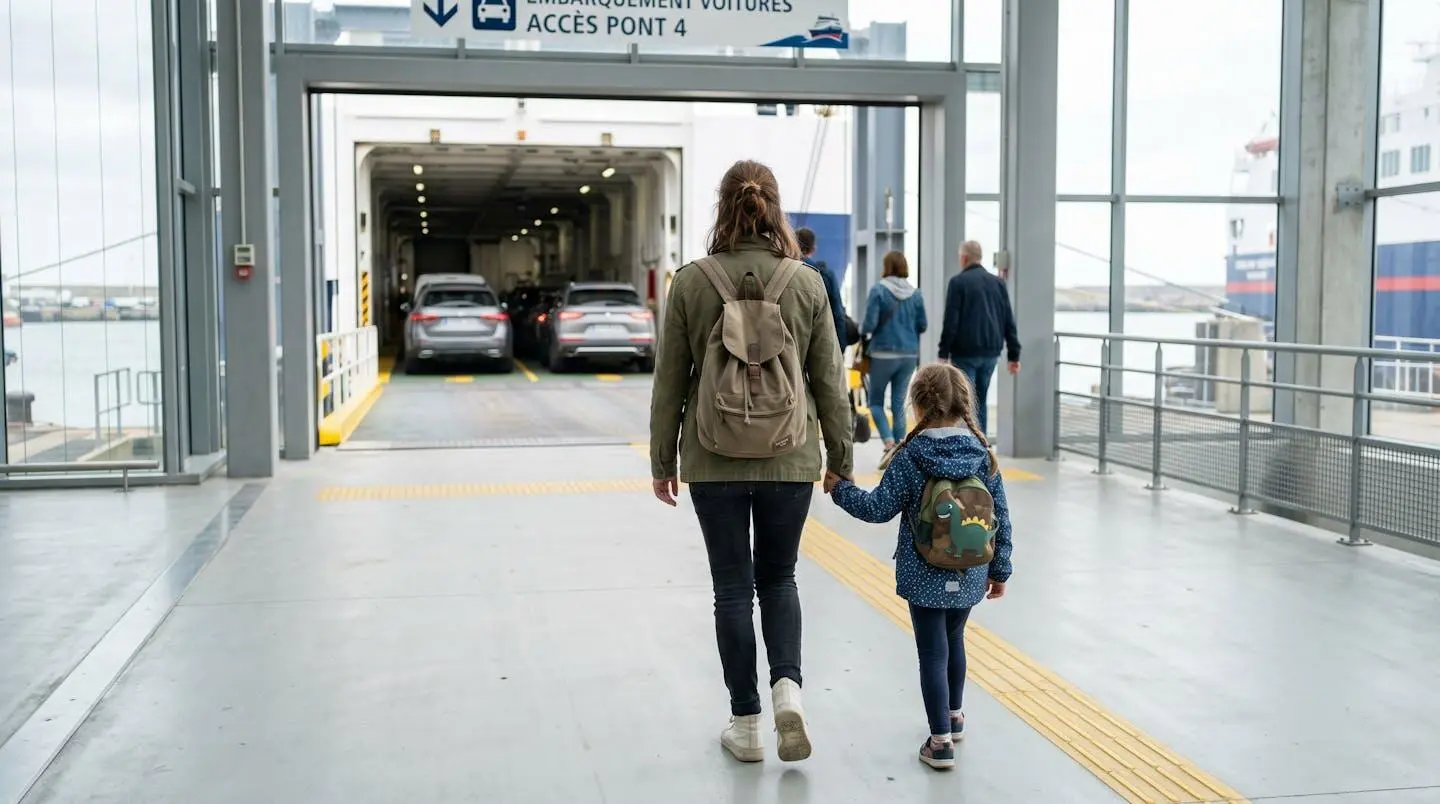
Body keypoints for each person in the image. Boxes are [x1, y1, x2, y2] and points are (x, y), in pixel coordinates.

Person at [649, 159, 854, 765]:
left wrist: (662, 460)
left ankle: (746, 725)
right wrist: (840, 458)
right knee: (780, 579)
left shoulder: (691, 282)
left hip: (712, 459)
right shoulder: (807, 283)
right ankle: (788, 688)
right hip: (790, 457)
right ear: (775, 207)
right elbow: (829, 380)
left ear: (723, 206)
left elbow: (669, 383)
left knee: (732, 588)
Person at [824, 363, 1014, 771]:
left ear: (916, 405)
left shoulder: (911, 456)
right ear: (965, 404)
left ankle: (939, 742)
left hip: (923, 573)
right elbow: (1001, 515)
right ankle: (955, 717)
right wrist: (1000, 570)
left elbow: (877, 509)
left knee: (932, 652)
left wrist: (840, 490)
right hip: (970, 572)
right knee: (955, 640)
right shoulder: (982, 455)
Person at [937, 240, 1021, 437]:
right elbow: (1008, 319)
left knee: (963, 402)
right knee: (980, 400)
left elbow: (951, 321)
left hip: (964, 352)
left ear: (964, 258)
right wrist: (1014, 355)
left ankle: (966, 444)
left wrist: (943, 353)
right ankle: (980, 444)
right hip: (991, 353)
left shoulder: (958, 282)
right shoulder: (998, 283)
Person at [861, 251, 927, 453]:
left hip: (882, 354)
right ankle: (900, 447)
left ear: (886, 266)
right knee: (899, 404)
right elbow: (922, 325)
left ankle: (888, 442)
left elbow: (869, 325)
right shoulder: (916, 294)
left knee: (875, 402)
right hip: (908, 355)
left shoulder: (878, 291)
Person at [795, 226, 852, 349]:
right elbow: (837, 312)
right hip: (817, 341)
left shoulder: (781, 271)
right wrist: (841, 346)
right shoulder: (824, 274)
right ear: (813, 249)